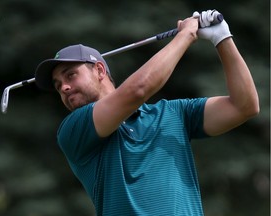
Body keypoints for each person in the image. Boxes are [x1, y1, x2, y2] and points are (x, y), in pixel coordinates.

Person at [35, 9, 259, 216]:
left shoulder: (174, 113)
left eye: (70, 75)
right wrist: (185, 35)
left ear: (100, 70)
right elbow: (137, 91)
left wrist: (222, 38)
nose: (63, 87)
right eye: (57, 85)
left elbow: (244, 106)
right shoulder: (74, 129)